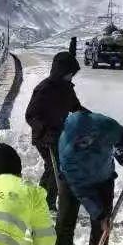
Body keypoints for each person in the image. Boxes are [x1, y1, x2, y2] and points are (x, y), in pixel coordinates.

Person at [54, 107, 123, 245]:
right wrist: (98, 214)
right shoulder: (67, 153)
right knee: (65, 220)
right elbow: (82, 190)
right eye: (80, 142)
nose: (84, 143)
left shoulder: (104, 125)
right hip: (74, 183)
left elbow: (120, 135)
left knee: (103, 224)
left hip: (103, 178)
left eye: (86, 139)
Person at [25, 51, 82, 211]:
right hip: (43, 136)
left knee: (55, 167)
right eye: (70, 74)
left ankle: (41, 201)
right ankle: (46, 204)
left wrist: (88, 116)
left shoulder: (67, 88)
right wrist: (45, 131)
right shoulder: (44, 89)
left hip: (58, 135)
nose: (72, 77)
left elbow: (75, 106)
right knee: (55, 167)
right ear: (61, 71)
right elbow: (30, 115)